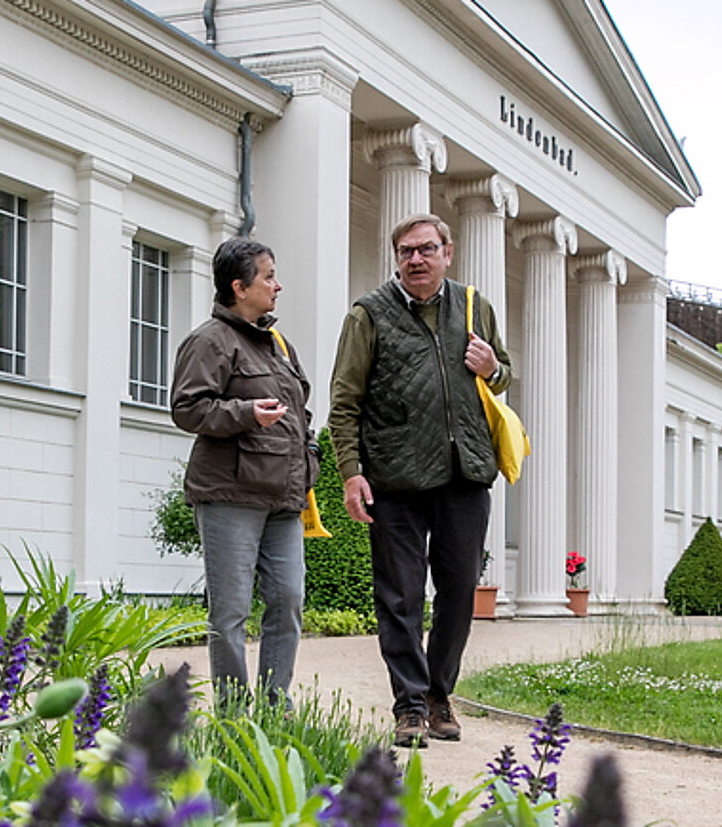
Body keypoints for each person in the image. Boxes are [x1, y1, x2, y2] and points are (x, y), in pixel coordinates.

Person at [328, 214, 513, 748]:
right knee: (400, 597)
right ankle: (409, 705)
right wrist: (351, 473)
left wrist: (492, 368)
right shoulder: (368, 314)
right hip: (395, 478)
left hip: (464, 474)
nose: (416, 259)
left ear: (447, 253)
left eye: (426, 249)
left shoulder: (475, 307)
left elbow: (503, 375)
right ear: (396, 258)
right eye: (406, 251)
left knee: (459, 591)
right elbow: (345, 402)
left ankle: (438, 694)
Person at [169, 237, 312, 705]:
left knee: (288, 600)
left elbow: (300, 412)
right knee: (229, 613)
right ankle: (233, 714)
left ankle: (273, 709)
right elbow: (187, 408)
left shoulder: (279, 345)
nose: (277, 286)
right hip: (230, 494)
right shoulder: (209, 340)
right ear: (239, 286)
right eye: (268, 277)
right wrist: (246, 413)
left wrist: (308, 454)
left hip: (283, 499)